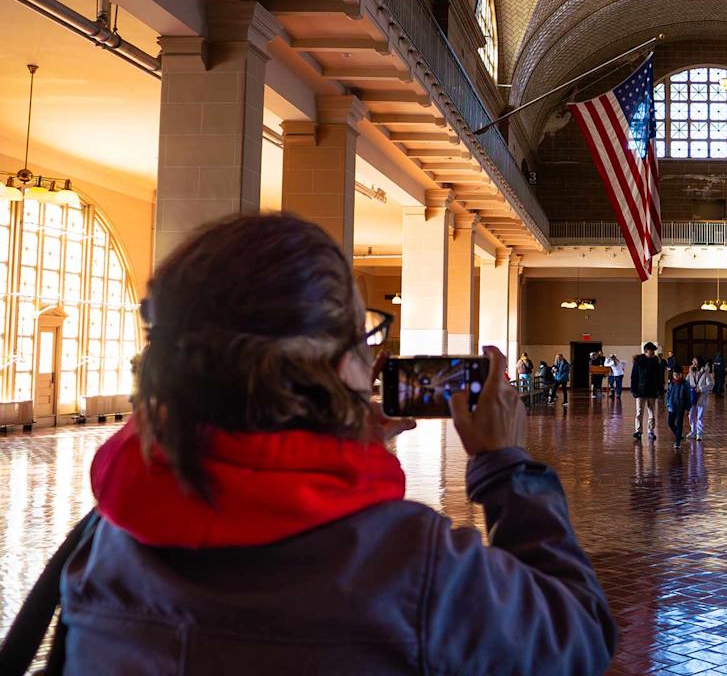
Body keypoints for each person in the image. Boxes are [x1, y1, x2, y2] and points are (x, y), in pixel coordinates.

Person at [47, 213, 618, 674]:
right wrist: (504, 467)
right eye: (365, 338)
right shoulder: (413, 566)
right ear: (338, 362)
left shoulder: (108, 541)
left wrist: (322, 448)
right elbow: (579, 633)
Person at [630, 342, 665, 441]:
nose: (653, 352)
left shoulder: (655, 362)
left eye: (654, 350)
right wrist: (634, 390)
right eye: (651, 350)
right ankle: (638, 431)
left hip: (652, 391)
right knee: (639, 412)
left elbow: (659, 377)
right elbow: (634, 377)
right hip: (640, 391)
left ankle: (651, 431)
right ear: (646, 351)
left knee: (652, 413)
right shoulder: (638, 362)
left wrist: (660, 390)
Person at [665, 365, 694, 450]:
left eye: (677, 375)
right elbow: (668, 393)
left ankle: (677, 442)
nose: (676, 376)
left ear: (681, 374)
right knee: (670, 423)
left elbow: (689, 397)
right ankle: (679, 435)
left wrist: (688, 408)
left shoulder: (685, 384)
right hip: (672, 406)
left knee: (679, 424)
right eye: (674, 375)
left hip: (680, 407)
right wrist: (668, 403)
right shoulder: (672, 383)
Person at [686, 358, 714, 440]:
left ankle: (699, 433)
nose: (693, 362)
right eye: (693, 360)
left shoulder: (706, 373)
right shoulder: (691, 372)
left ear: (700, 363)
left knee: (700, 416)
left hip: (701, 397)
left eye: (695, 361)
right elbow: (686, 382)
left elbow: (711, 384)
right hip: (692, 396)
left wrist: (701, 389)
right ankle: (693, 431)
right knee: (691, 415)